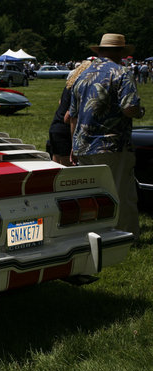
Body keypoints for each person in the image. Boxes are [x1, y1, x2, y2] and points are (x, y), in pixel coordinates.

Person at [69, 33, 145, 240]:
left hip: (83, 145)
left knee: (91, 195)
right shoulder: (122, 72)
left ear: (100, 51)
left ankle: (92, 236)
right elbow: (130, 108)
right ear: (120, 52)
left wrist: (74, 146)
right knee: (121, 193)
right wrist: (140, 111)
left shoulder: (81, 75)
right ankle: (125, 238)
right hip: (112, 145)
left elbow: (73, 115)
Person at [48, 60, 91, 166]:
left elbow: (60, 102)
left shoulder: (68, 86)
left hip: (54, 128)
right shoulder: (78, 89)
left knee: (56, 167)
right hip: (65, 131)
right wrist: (74, 144)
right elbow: (68, 117)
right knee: (67, 170)